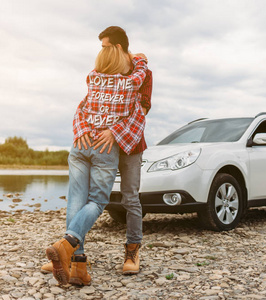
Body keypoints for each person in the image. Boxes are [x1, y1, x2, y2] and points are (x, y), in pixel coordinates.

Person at [43, 41, 148, 286]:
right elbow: (140, 76)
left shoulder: (92, 78)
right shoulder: (130, 83)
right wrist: (141, 60)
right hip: (104, 146)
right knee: (97, 201)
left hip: (81, 145)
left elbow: (82, 107)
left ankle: (78, 265)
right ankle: (67, 244)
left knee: (76, 201)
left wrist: (81, 129)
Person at [91, 26, 153, 275]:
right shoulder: (106, 68)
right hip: (103, 144)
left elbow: (144, 108)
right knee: (92, 196)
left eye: (105, 46)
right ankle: (71, 250)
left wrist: (116, 130)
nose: (101, 51)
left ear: (117, 46)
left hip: (131, 145)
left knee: (130, 197)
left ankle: (132, 250)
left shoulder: (144, 73)